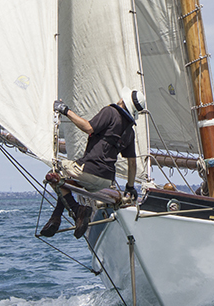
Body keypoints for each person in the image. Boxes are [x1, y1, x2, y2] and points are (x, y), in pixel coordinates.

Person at [41, 87, 145, 239]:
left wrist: (65, 110)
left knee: (54, 174)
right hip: (105, 180)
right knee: (67, 183)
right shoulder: (130, 130)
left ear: (123, 101)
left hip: (89, 171)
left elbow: (88, 128)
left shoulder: (110, 112)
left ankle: (77, 211)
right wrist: (130, 187)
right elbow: (132, 163)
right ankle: (56, 217)